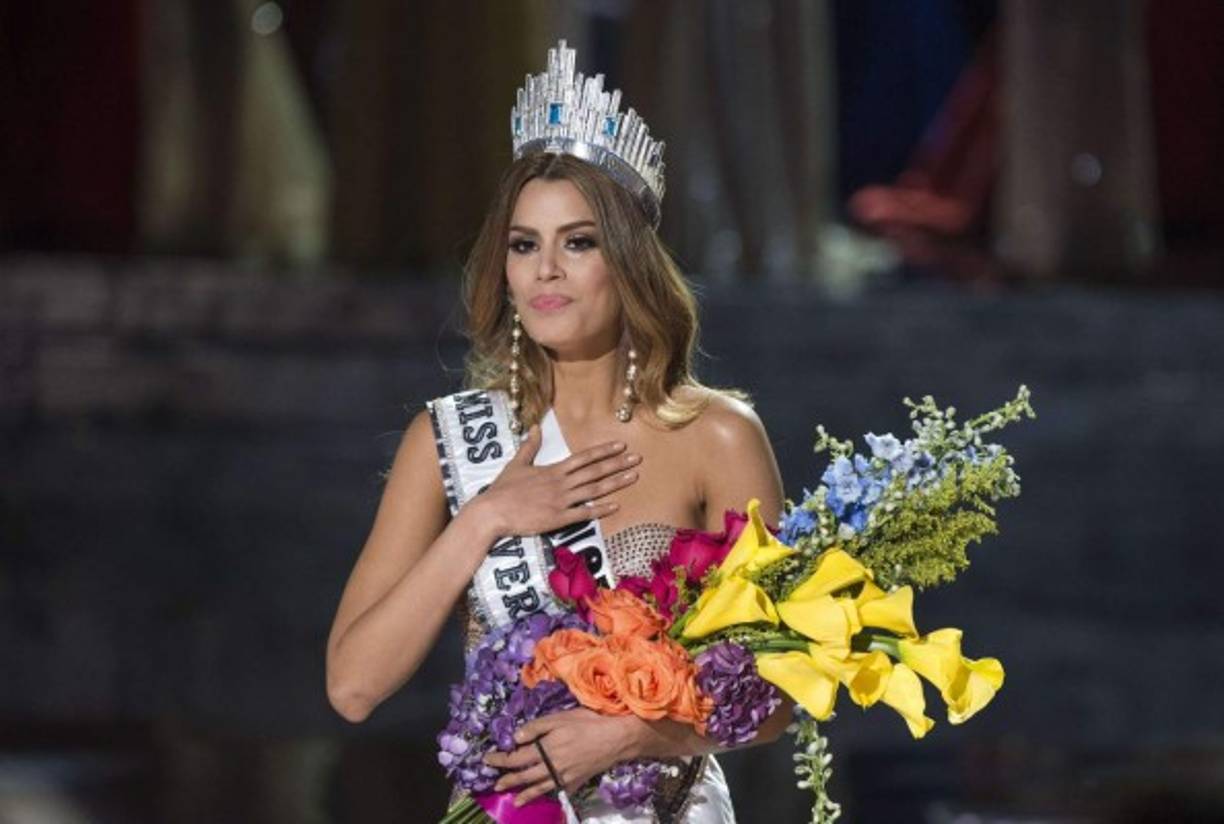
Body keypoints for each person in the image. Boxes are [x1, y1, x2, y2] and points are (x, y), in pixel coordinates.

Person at [326, 40, 790, 823]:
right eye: (523, 244)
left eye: (578, 242)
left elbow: (777, 695)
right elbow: (352, 687)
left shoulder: (719, 437)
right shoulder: (448, 441)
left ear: (629, 261)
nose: (546, 271)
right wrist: (487, 518)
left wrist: (628, 735)